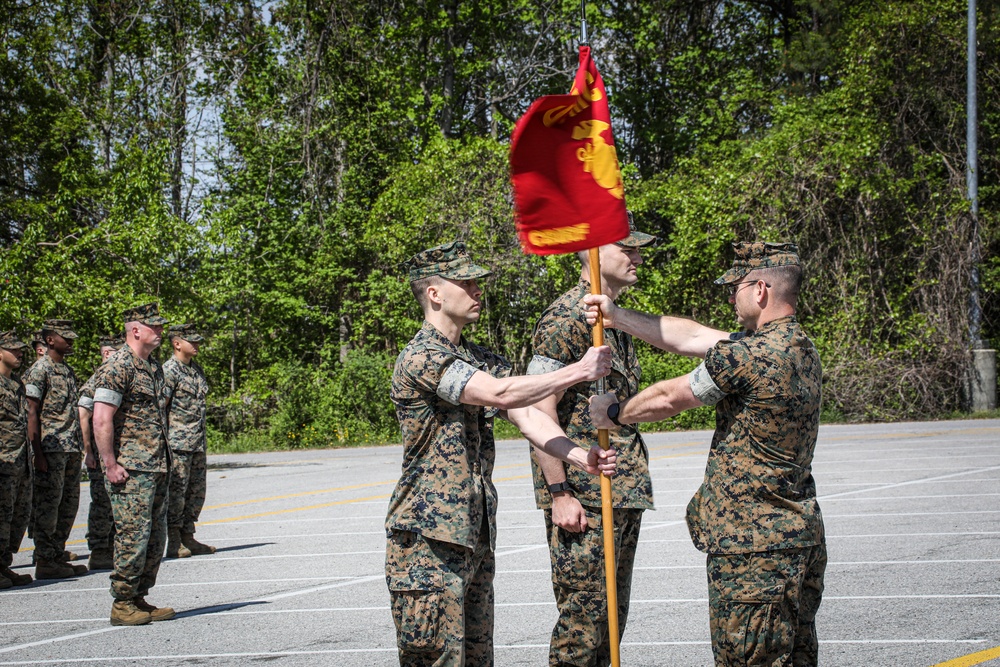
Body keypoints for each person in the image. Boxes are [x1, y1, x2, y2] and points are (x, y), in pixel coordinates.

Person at [587, 242, 826, 667]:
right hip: (798, 535)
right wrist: (617, 316)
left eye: (735, 288)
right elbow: (692, 336)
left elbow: (671, 397)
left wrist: (614, 413)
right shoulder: (801, 347)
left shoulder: (748, 356)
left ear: (761, 291)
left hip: (753, 547)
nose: (730, 298)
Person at [386, 240, 618, 667]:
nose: (477, 291)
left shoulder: (476, 357)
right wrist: (579, 370)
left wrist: (579, 456)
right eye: (466, 282)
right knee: (438, 659)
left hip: (472, 533)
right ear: (435, 294)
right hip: (428, 538)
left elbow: (526, 414)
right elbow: (499, 392)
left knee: (476, 658)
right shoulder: (422, 356)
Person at [525, 214, 656, 667]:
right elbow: (538, 411)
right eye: (628, 249)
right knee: (582, 628)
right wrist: (559, 493)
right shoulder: (566, 319)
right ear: (595, 254)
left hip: (620, 492)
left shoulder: (612, 319)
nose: (638, 257)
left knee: (611, 627)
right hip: (584, 496)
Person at [92, 303, 175, 626]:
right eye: (154, 326)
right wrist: (109, 463)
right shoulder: (117, 367)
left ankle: (139, 595)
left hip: (156, 465)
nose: (161, 332)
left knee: (155, 537)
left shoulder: (153, 367)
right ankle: (122, 602)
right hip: (131, 468)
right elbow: (101, 419)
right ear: (136, 330)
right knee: (132, 535)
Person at [23, 319, 87, 580]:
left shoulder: (67, 370)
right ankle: (45, 559)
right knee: (48, 506)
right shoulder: (39, 370)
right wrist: (37, 453)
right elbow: (31, 412)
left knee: (68, 504)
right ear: (50, 340)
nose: (70, 341)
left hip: (70, 447)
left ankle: (57, 554)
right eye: (65, 337)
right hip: (50, 448)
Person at [162, 324, 214, 558]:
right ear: (177, 343)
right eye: (191, 341)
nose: (197, 345)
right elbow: (160, 409)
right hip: (177, 445)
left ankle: (188, 536)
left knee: (195, 492)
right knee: (176, 493)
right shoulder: (168, 371)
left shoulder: (196, 370)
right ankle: (173, 541)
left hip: (197, 443)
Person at [78, 334, 123, 571]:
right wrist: (88, 450)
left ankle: (111, 548)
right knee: (102, 503)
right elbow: (84, 413)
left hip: (114, 451)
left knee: (114, 503)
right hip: (99, 453)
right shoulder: (98, 378)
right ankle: (98, 550)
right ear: (107, 354)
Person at [0, 331, 34, 588]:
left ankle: (4, 565)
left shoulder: (17, 384)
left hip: (21, 462)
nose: (19, 353)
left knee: (16, 517)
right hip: (3, 462)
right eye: (13, 349)